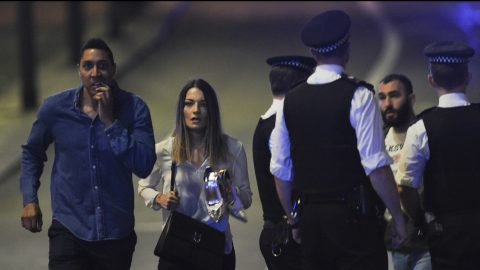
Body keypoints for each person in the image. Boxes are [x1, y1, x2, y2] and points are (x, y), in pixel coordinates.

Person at [270, 10, 406, 270]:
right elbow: (376, 167)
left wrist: (294, 220)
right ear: (347, 49)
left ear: (312, 53)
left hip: (311, 221)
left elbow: (281, 172)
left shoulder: (290, 101)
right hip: (353, 221)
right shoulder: (359, 96)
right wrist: (398, 218)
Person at [20, 37, 157, 269]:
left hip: (116, 234)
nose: (95, 72)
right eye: (88, 66)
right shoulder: (55, 108)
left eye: (102, 65)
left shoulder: (134, 108)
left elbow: (144, 165)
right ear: (79, 71)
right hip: (69, 229)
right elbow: (31, 153)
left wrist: (110, 122)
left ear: (113, 69)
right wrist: (29, 199)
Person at [138, 78, 252, 270]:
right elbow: (143, 186)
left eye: (203, 104)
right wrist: (160, 198)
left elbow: (246, 198)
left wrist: (229, 193)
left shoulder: (232, 149)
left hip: (216, 249)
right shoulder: (164, 150)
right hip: (176, 249)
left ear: (212, 111)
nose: (196, 110)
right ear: (181, 110)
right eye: (189, 104)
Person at [396, 41, 480, 270]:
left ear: (431, 80)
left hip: (446, 230)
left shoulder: (421, 127)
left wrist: (421, 222)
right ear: (468, 77)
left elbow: (405, 186)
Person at [253, 55, 316, 270]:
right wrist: (296, 221)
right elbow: (285, 178)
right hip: (289, 233)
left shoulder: (265, 121)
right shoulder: (281, 126)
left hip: (278, 231)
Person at [378, 74, 431, 270]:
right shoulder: (378, 139)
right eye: (382, 97)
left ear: (411, 99)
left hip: (425, 241)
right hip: (392, 243)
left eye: (394, 95)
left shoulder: (426, 133)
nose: (388, 103)